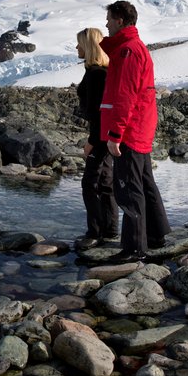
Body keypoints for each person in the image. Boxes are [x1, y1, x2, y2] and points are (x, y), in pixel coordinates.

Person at [99, 0, 170, 263]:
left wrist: (115, 134)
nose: (106, 24)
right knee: (145, 182)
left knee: (128, 188)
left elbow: (125, 96)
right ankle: (156, 234)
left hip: (129, 131)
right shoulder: (134, 48)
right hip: (139, 129)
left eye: (108, 19)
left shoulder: (128, 51)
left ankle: (134, 248)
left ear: (119, 19)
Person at [74, 28, 118, 250]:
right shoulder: (101, 71)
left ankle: (96, 232)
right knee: (105, 181)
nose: (77, 48)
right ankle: (110, 229)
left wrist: (92, 141)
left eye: (80, 44)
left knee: (90, 183)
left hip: (100, 136)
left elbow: (100, 112)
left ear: (89, 46)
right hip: (106, 135)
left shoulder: (95, 74)